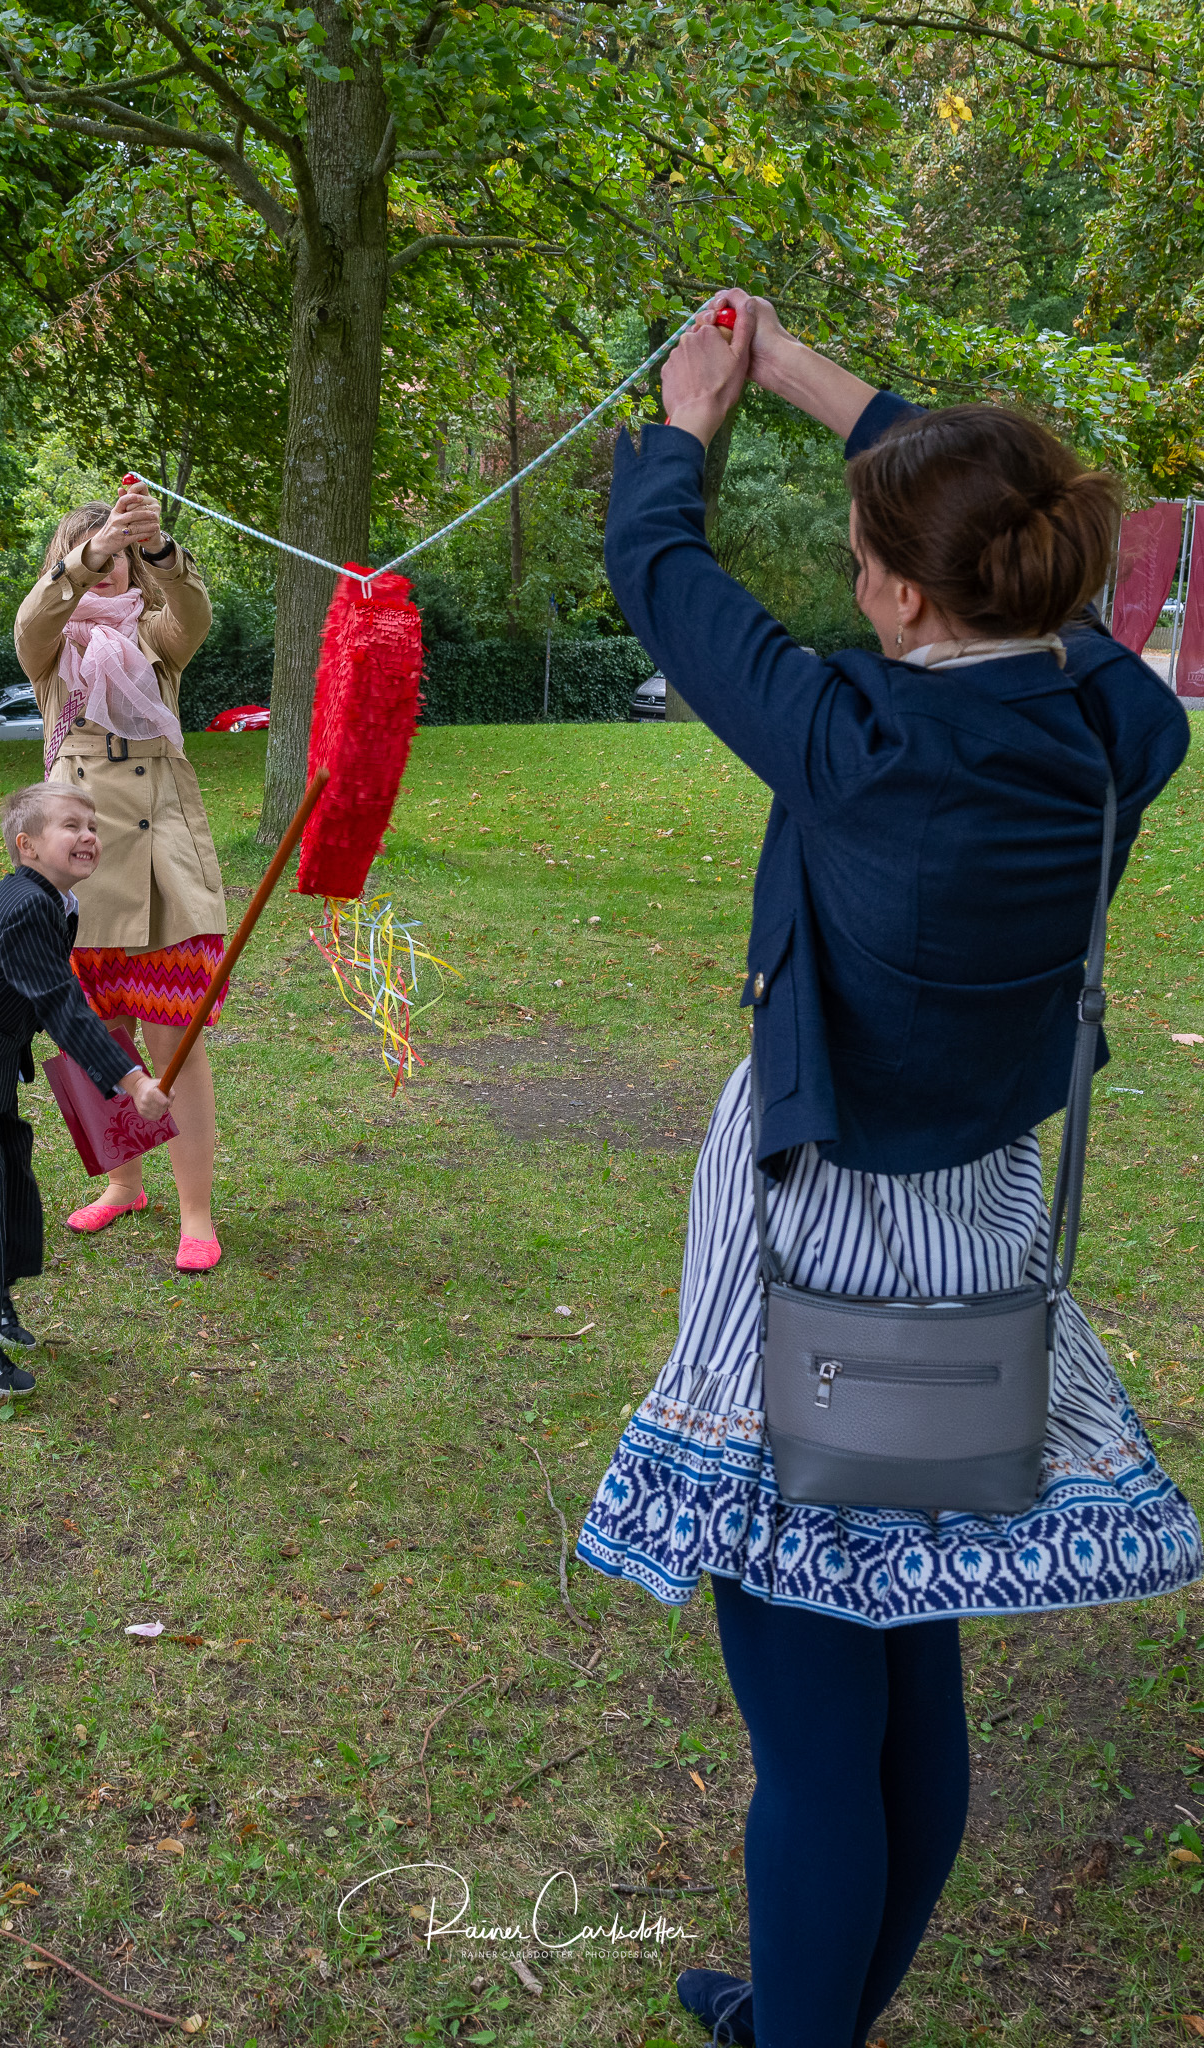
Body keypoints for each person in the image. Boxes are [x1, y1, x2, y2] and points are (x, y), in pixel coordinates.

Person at [578, 290, 1204, 2048]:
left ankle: (802, 2031)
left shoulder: (858, 741)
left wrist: (692, 417)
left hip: (821, 1239)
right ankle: (807, 2005)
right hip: (980, 1223)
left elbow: (663, 576)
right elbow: (1000, 524)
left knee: (809, 1722)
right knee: (901, 1651)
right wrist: (793, 375)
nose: (856, 579)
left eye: (867, 558)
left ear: (907, 596)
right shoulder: (1115, 727)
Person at [0, 785, 173, 1400]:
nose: (89, 834)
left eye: (93, 825)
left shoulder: (52, 901)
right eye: (71, 825)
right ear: (27, 846)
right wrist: (130, 1081)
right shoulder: (26, 905)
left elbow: (36, 993)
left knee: (10, 1174)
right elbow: (59, 1002)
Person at [15, 479, 228, 1273]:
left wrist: (161, 548)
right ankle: (124, 1184)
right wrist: (85, 556)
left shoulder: (155, 636)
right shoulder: (51, 646)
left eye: (120, 555)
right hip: (76, 860)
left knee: (175, 1046)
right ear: (70, 562)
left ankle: (195, 1210)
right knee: (97, 1040)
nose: (109, 566)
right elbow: (30, 618)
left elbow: (194, 614)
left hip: (160, 854)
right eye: (92, 553)